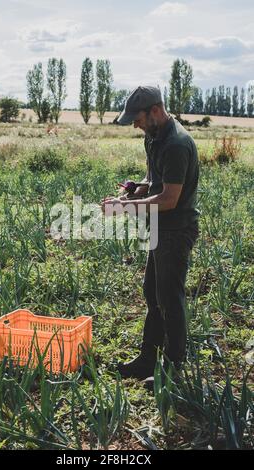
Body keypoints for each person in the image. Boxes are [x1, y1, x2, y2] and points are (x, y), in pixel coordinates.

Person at [101, 86, 200, 383]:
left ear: (155, 111)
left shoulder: (177, 144)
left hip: (176, 229)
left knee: (170, 298)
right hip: (159, 226)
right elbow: (153, 180)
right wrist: (135, 189)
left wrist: (125, 208)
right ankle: (147, 359)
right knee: (152, 293)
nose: (135, 123)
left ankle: (172, 367)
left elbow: (169, 199)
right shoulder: (154, 137)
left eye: (138, 117)